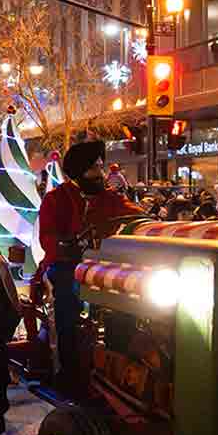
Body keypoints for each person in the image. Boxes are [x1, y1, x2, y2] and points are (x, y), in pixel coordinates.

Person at [37, 140, 141, 394]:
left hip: (105, 267)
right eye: (94, 168)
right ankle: (69, 370)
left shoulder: (110, 198)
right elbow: (48, 238)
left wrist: (147, 222)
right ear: (78, 171)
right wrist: (67, 246)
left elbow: (134, 214)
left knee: (129, 300)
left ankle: (120, 364)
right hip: (67, 265)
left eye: (101, 167)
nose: (100, 174)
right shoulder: (56, 199)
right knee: (68, 299)